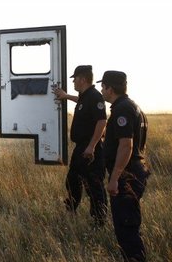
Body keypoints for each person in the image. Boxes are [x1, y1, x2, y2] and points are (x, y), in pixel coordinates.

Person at [100, 70, 149, 262]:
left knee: (126, 226)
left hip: (126, 176)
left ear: (110, 88)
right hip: (132, 172)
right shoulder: (132, 107)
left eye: (103, 87)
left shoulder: (122, 110)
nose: (102, 91)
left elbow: (126, 145)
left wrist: (114, 179)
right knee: (126, 224)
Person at [53, 65, 108, 226]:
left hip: (91, 149)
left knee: (94, 185)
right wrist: (66, 96)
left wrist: (91, 146)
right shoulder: (86, 96)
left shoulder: (95, 96)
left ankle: (99, 221)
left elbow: (102, 121)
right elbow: (82, 101)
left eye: (75, 79)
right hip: (81, 148)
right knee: (72, 180)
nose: (74, 82)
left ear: (82, 79)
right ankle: (71, 211)